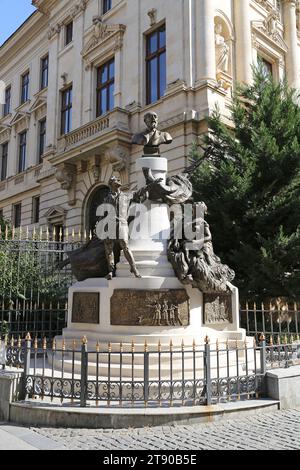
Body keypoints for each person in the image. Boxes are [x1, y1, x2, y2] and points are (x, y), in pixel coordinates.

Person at [101, 176, 145, 280]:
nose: (119, 181)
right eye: (116, 180)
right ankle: (111, 271)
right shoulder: (106, 199)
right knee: (108, 249)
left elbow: (139, 192)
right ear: (111, 183)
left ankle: (133, 268)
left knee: (125, 245)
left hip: (121, 223)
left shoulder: (126, 196)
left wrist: (150, 185)